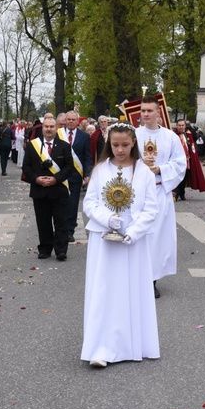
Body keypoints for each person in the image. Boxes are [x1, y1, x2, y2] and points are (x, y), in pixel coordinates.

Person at [80, 122, 159, 368]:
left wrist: (134, 232)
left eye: (125, 145)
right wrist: (107, 220)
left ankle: (132, 343)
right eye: (115, 145)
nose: (120, 150)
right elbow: (90, 203)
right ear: (108, 144)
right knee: (103, 290)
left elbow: (150, 207)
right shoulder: (101, 169)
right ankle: (100, 347)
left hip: (131, 242)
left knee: (130, 289)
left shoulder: (143, 172)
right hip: (103, 239)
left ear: (133, 142)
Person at [135, 96, 187, 298]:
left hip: (159, 191)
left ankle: (152, 280)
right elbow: (121, 159)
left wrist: (159, 169)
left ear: (158, 112)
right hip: (137, 193)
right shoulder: (133, 135)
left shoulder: (170, 137)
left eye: (149, 110)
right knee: (139, 235)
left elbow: (180, 163)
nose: (146, 114)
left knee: (156, 238)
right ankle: (135, 277)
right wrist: (140, 164)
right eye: (143, 110)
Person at [22, 116, 73, 261]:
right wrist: (37, 179)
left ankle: (61, 250)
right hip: (39, 190)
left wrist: (55, 179)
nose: (49, 129)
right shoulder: (33, 145)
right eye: (46, 127)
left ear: (56, 128)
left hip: (58, 189)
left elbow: (69, 167)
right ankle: (45, 248)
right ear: (42, 128)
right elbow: (26, 166)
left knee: (61, 221)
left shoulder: (64, 146)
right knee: (43, 222)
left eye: (52, 127)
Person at [60, 111, 92, 243]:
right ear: (65, 120)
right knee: (61, 204)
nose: (71, 121)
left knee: (73, 204)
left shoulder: (84, 136)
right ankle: (60, 228)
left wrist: (87, 175)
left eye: (73, 119)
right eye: (69, 119)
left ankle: (70, 230)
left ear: (77, 121)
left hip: (75, 175)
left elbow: (87, 157)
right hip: (60, 174)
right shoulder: (58, 134)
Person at [173, 119, 205, 200]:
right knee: (177, 176)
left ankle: (182, 193)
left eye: (183, 125)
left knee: (185, 177)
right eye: (179, 125)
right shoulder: (173, 135)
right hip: (176, 160)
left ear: (185, 126)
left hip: (187, 159)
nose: (181, 127)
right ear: (177, 126)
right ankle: (176, 193)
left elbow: (192, 144)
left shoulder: (188, 134)